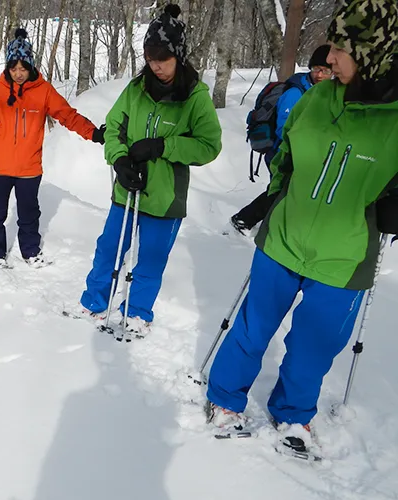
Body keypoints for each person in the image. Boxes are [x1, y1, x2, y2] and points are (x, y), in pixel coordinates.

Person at [206, 0, 398, 455]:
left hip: (345, 256)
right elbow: (285, 155)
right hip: (284, 237)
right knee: (253, 327)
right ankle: (224, 398)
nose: (329, 57)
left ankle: (293, 413)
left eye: (342, 48)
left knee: (314, 348)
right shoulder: (316, 97)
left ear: (373, 52)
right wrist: (282, 182)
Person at [76, 4, 222, 337]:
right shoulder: (136, 90)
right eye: (151, 59)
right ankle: (94, 302)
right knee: (108, 248)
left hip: (165, 197)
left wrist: (163, 146)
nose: (156, 67)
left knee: (151, 260)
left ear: (179, 56)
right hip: (127, 189)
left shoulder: (195, 97)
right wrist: (119, 160)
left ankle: (138, 311)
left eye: (163, 60)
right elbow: (113, 127)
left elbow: (208, 146)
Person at [0, 28, 105, 268]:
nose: (18, 74)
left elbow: (67, 115)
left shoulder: (43, 91)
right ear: (8, 68)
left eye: (23, 69)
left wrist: (92, 132)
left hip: (29, 167)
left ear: (31, 67)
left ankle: (30, 251)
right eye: (14, 69)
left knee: (29, 213)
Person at [230, 45, 333, 234]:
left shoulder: (323, 92)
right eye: (316, 69)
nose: (319, 75)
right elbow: (284, 129)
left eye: (326, 71)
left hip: (302, 154)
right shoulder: (296, 93)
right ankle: (245, 220)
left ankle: (252, 221)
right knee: (281, 190)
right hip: (281, 151)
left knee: (282, 190)